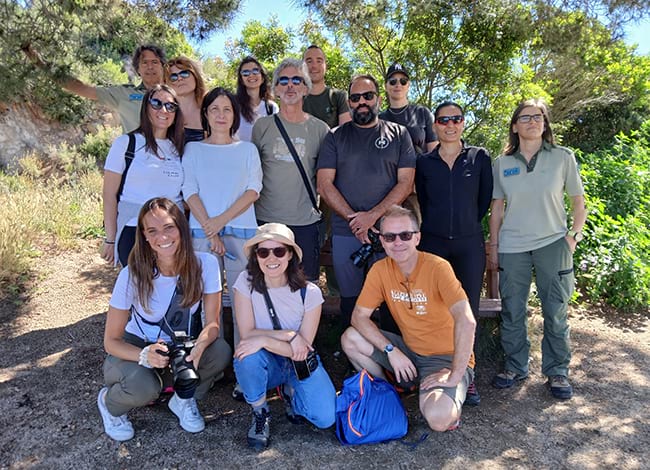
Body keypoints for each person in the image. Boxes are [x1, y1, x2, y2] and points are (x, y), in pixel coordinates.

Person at [97, 197, 232, 441]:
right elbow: (111, 341)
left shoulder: (207, 264)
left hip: (178, 345)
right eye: (153, 231)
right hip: (135, 347)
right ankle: (110, 404)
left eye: (169, 227)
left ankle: (182, 400)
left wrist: (200, 345)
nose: (163, 237)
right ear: (145, 237)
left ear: (181, 228)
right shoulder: (132, 275)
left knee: (220, 351)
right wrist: (143, 355)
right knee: (145, 388)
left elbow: (212, 323)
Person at [341, 205, 476, 432]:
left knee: (439, 419)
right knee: (350, 338)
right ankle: (388, 396)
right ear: (381, 241)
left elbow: (466, 321)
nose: (398, 242)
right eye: (390, 237)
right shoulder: (380, 269)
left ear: (417, 238)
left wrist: (455, 374)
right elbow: (358, 317)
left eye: (405, 235)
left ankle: (450, 391)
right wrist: (391, 351)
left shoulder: (438, 267)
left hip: (443, 359)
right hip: (408, 352)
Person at [488, 98, 586, 400]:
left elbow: (578, 202)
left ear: (545, 125)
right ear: (515, 126)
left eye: (539, 117)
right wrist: (494, 244)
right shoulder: (502, 164)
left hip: (552, 244)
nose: (533, 121)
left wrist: (573, 237)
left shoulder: (562, 157)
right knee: (513, 310)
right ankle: (516, 366)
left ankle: (557, 372)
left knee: (555, 311)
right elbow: (497, 209)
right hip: (513, 247)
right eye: (526, 117)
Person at [317, 74, 416, 327]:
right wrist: (356, 220)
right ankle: (356, 360)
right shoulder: (334, 136)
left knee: (392, 301)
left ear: (378, 99)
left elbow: (405, 183)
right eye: (355, 97)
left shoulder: (399, 134)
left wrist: (373, 217)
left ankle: (393, 362)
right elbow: (324, 185)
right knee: (351, 301)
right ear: (349, 102)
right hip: (346, 231)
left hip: (389, 234)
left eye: (368, 96)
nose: (362, 102)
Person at [182, 87, 262, 400]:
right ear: (205, 114)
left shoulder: (247, 150)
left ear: (235, 116)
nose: (220, 115)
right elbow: (190, 190)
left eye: (226, 109)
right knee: (207, 303)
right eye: (214, 109)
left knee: (244, 300)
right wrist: (210, 230)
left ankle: (244, 368)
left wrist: (221, 222)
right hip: (202, 236)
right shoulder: (194, 151)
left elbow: (253, 190)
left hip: (241, 230)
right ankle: (212, 366)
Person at [415, 101, 493, 406]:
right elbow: (423, 199)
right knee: (436, 308)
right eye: (443, 120)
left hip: (468, 243)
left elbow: (483, 200)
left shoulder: (479, 157)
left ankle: (466, 374)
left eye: (456, 119)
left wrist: (464, 225)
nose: (450, 124)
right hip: (433, 244)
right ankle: (438, 367)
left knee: (467, 309)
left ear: (463, 123)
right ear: (435, 125)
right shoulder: (425, 163)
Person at [233, 223, 336, 450]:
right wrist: (289, 335)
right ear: (256, 257)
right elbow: (247, 333)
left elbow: (302, 349)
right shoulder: (245, 282)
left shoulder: (309, 293)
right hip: (266, 362)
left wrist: (265, 339)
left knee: (325, 418)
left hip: (297, 362)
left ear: (290, 255)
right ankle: (260, 412)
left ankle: (291, 395)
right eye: (263, 252)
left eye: (279, 251)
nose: (272, 258)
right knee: (246, 355)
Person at [252, 58, 330, 282]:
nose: (290, 86)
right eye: (283, 80)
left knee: (305, 288)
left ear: (306, 88)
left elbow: (326, 179)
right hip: (266, 221)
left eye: (297, 80)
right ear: (275, 89)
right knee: (265, 287)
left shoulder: (320, 129)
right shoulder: (262, 127)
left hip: (304, 222)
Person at [101, 84, 185, 267]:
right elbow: (109, 195)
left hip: (173, 235)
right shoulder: (126, 144)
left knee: (170, 291)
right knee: (137, 292)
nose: (164, 110)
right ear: (146, 107)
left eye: (170, 106)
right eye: (156, 103)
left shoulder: (179, 148)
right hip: (134, 231)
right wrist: (110, 238)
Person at [22, 43, 166, 133]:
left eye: (155, 62)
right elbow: (82, 88)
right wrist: (40, 64)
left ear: (163, 66)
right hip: (137, 166)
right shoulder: (123, 94)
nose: (150, 66)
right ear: (137, 69)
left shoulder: (177, 94)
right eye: (144, 62)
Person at [379, 63, 436, 154]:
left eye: (403, 81)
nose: (398, 85)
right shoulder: (379, 120)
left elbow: (434, 152)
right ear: (386, 86)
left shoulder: (423, 113)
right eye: (393, 81)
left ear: (408, 85)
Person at [302, 45, 351, 128]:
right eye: (309, 61)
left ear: (326, 66)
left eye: (319, 61)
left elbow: (345, 134)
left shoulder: (339, 96)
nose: (314, 66)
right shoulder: (296, 99)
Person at [235, 56, 279, 142]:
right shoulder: (234, 106)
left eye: (255, 71)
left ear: (262, 78)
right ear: (241, 80)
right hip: (239, 154)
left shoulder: (271, 108)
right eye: (245, 73)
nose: (251, 75)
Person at [166, 56, 207, 142]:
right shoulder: (163, 113)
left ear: (195, 76)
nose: (180, 78)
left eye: (184, 73)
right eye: (173, 77)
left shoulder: (210, 111)